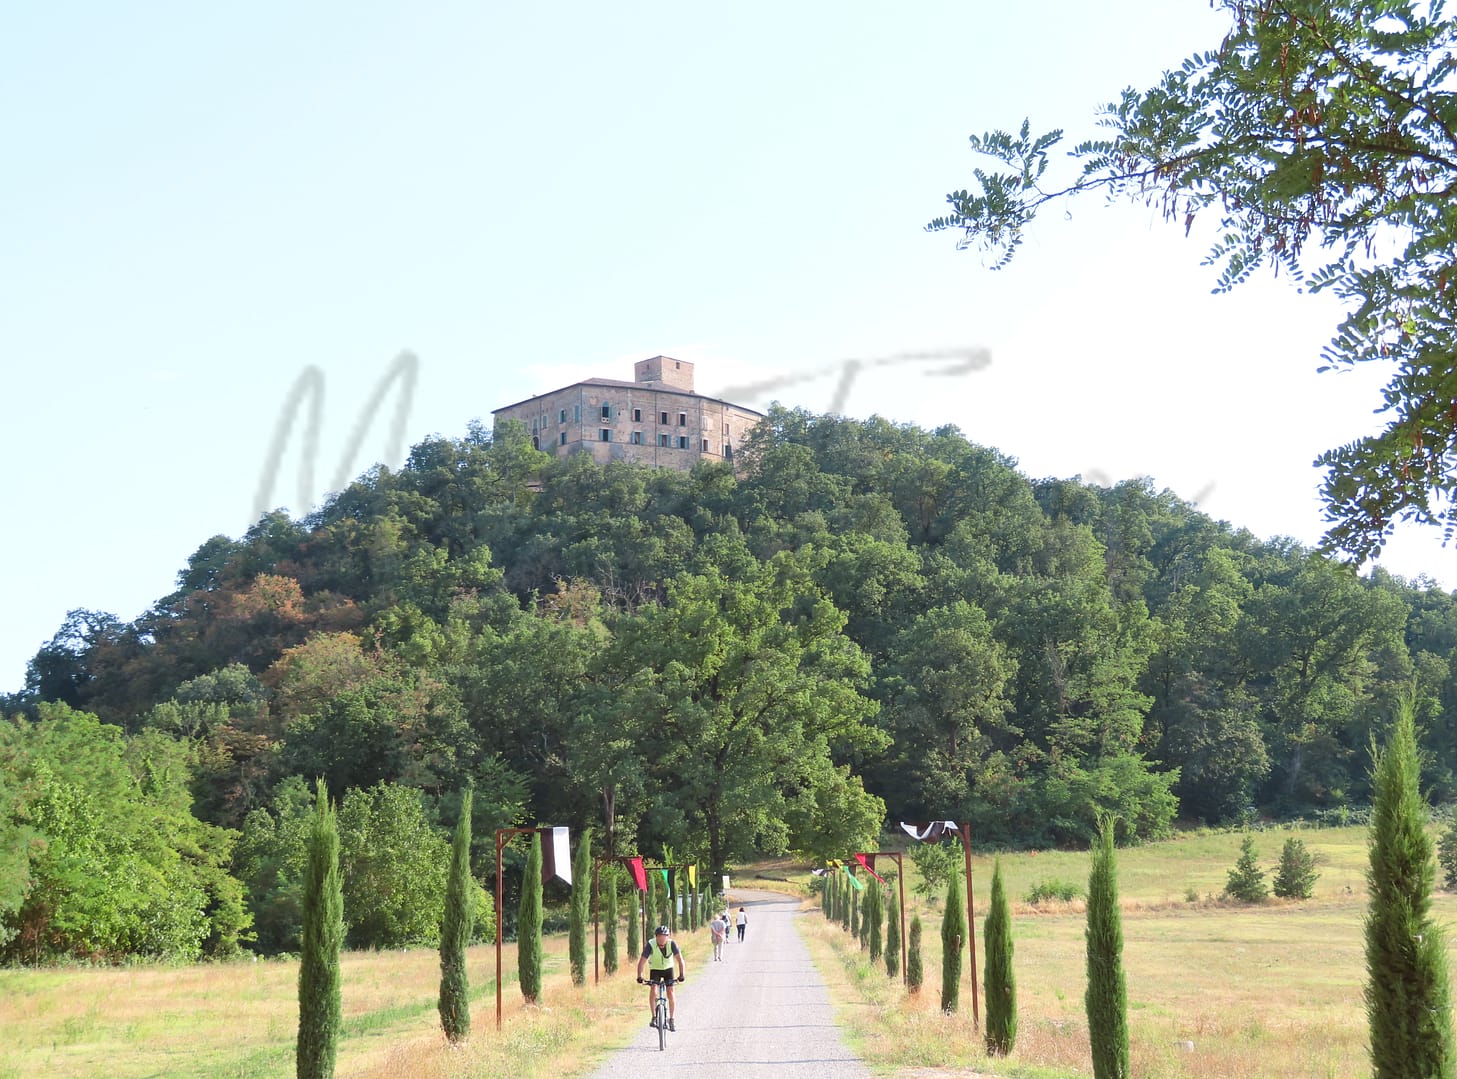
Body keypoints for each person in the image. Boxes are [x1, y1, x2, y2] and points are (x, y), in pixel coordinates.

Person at [636, 924, 686, 1030]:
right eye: (659, 936)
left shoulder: (672, 944)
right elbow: (642, 961)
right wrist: (639, 976)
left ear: (668, 937)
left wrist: (682, 975)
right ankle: (654, 1017)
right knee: (654, 990)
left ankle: (671, 1019)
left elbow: (680, 960)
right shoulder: (651, 944)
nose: (662, 939)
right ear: (656, 937)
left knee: (670, 992)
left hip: (668, 969)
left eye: (664, 936)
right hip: (655, 969)